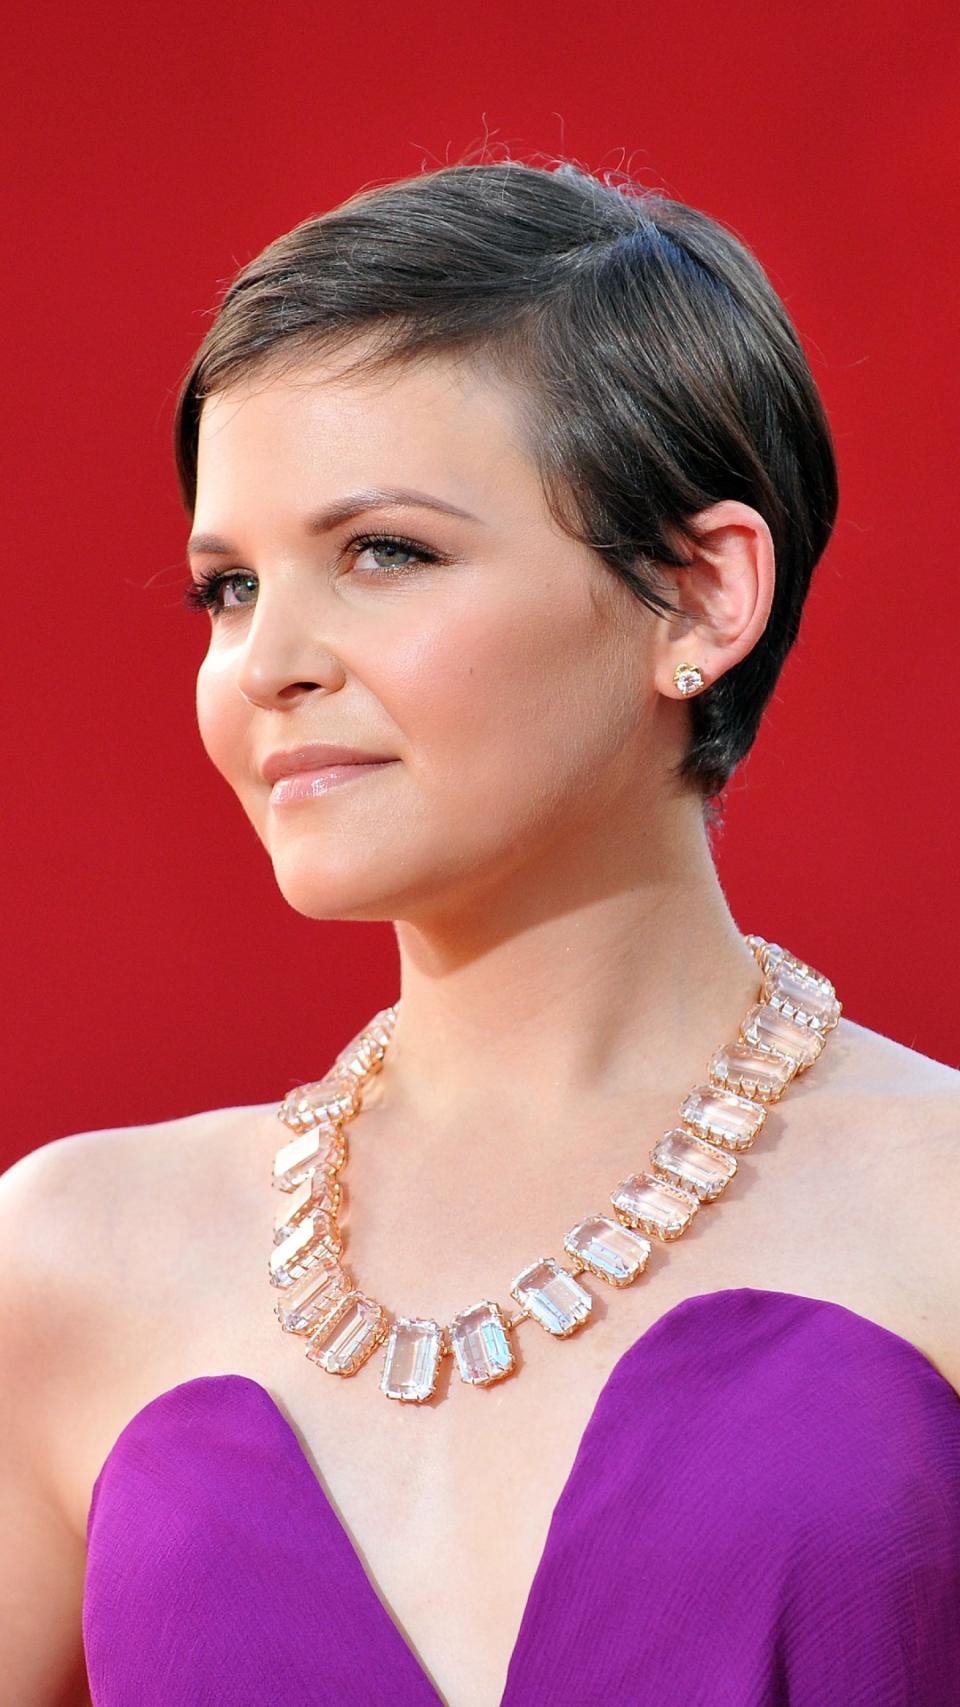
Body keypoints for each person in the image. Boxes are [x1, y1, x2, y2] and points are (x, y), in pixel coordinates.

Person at [2, 156, 958, 1707]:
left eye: (385, 552)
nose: (267, 664)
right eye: (228, 586)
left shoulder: (940, 1214)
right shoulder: (67, 1261)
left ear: (702, 597)